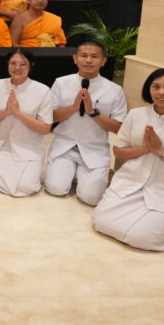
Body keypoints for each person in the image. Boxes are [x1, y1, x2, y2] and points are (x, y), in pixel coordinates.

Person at [93, 69, 164, 252]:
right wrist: (146, 149)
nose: (161, 92)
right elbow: (118, 151)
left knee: (142, 239)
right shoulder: (135, 115)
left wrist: (161, 152)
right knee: (100, 222)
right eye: (156, 87)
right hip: (129, 184)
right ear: (149, 89)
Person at [46, 41, 127, 205]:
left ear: (103, 61)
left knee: (91, 198)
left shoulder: (114, 90)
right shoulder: (61, 83)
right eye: (84, 56)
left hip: (94, 149)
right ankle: (70, 173)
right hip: (65, 146)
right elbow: (50, 117)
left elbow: (119, 127)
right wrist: (73, 108)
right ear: (75, 58)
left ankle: (82, 176)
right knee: (56, 189)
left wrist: (92, 112)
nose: (88, 60)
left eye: (94, 56)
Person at [0, 49, 54, 196]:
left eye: (23, 64)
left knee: (27, 186)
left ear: (31, 65)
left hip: (28, 147)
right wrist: (6, 111)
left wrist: (18, 113)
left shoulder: (43, 90)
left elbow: (45, 128)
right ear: (8, 64)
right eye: (13, 63)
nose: (17, 67)